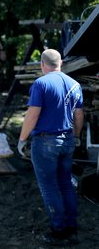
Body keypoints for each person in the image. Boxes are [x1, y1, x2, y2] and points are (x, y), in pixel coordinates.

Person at [17, 49, 83, 245]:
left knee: (49, 188)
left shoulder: (41, 84)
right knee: (65, 184)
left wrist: (22, 139)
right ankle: (71, 226)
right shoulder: (75, 84)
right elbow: (79, 115)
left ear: (42, 65)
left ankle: (58, 231)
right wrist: (77, 136)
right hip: (68, 140)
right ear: (60, 62)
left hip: (45, 143)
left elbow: (32, 115)